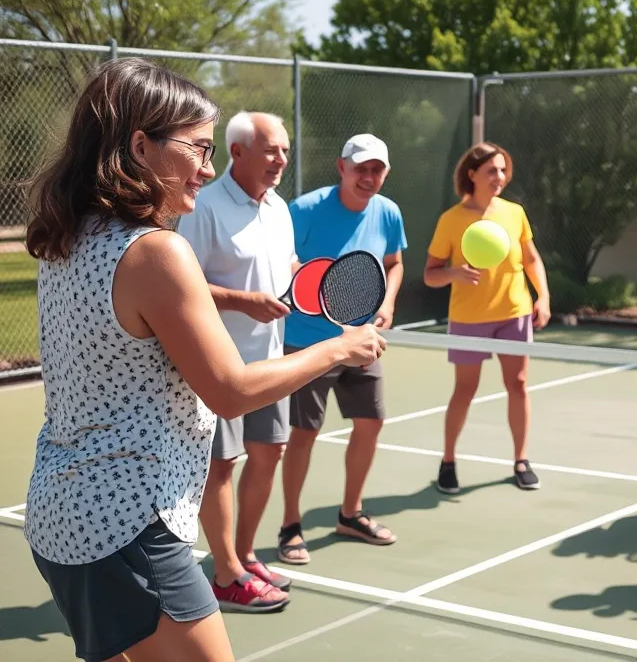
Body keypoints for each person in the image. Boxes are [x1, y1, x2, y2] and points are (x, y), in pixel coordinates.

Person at [21, 58, 386, 662]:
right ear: (141, 146)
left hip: (61, 519)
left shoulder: (65, 236)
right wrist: (338, 348)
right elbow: (230, 389)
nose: (209, 168)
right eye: (197, 148)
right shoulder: (157, 254)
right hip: (127, 527)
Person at [175, 111, 295, 613]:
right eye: (271, 150)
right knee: (221, 465)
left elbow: (286, 267)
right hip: (218, 365)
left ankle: (244, 554)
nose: (281, 160)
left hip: (270, 360)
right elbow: (181, 282)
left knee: (269, 453)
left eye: (285, 150)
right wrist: (242, 301)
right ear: (238, 152)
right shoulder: (202, 207)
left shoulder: (279, 208)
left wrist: (302, 281)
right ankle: (226, 574)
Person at [277, 133, 407, 562]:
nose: (369, 177)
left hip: (363, 339)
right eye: (361, 168)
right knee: (304, 433)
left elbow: (394, 262)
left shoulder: (388, 212)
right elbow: (282, 257)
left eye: (377, 170)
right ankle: (290, 525)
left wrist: (386, 302)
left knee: (371, 422)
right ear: (342, 168)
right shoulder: (306, 209)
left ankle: (350, 514)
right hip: (307, 342)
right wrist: (310, 284)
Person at [423, 142, 551, 494]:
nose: (500, 177)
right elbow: (430, 275)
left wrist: (543, 296)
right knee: (465, 389)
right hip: (469, 318)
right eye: (492, 170)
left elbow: (531, 259)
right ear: (472, 174)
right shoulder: (451, 220)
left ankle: (521, 460)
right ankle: (448, 461)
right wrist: (455, 273)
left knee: (519, 384)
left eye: (503, 170)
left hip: (514, 312)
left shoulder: (514, 213)